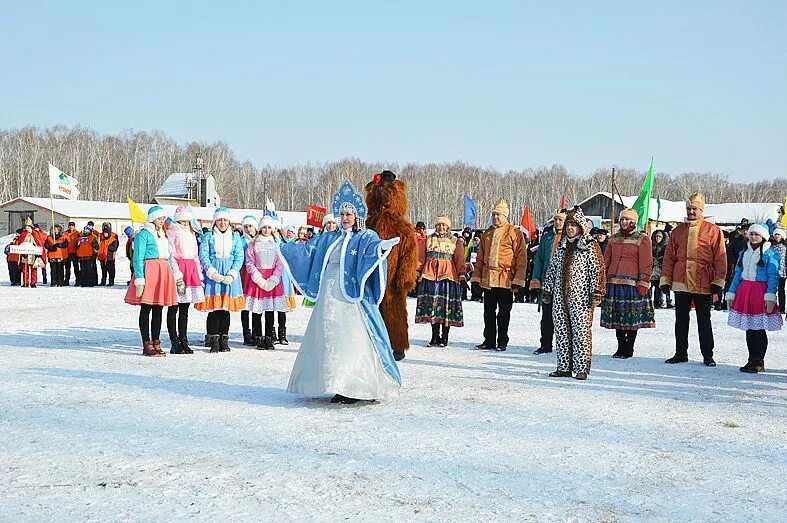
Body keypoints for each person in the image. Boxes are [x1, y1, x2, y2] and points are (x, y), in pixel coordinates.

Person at [280, 180, 401, 404]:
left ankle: (356, 385)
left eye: (349, 214)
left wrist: (381, 248)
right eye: (342, 214)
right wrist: (283, 246)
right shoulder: (331, 237)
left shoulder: (365, 236)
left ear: (357, 216)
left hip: (353, 297)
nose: (345, 218)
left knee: (353, 338)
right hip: (330, 294)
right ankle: (336, 383)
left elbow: (372, 249)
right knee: (330, 338)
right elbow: (309, 250)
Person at [660, 193, 727, 366]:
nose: (691, 212)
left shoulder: (713, 230)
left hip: (703, 279)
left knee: (704, 319)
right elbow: (668, 257)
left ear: (701, 210)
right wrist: (666, 279)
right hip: (681, 279)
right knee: (681, 319)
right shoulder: (678, 231)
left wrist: (718, 281)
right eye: (689, 208)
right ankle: (680, 352)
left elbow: (720, 257)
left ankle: (707, 354)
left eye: (694, 209)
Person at [542, 207, 606, 380]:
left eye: (573, 225)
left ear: (581, 227)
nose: (570, 228)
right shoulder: (561, 245)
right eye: (568, 225)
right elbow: (552, 269)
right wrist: (547, 289)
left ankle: (581, 368)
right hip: (559, 297)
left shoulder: (589, 245)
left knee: (581, 331)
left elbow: (597, 270)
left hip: (581, 297)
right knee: (562, 330)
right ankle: (563, 367)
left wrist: (597, 291)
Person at [471, 199, 527, 351]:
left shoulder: (514, 232)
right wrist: (476, 279)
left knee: (503, 313)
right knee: (488, 312)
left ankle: (502, 341)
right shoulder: (487, 234)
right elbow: (480, 258)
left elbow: (521, 257)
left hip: (506, 278)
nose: (495, 218)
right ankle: (489, 340)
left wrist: (518, 280)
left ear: (505, 216)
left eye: (498, 215)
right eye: (494, 215)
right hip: (488, 278)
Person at [124, 206, 181, 357]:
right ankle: (146, 343)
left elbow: (168, 257)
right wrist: (140, 280)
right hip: (149, 270)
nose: (162, 221)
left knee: (158, 309)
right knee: (146, 308)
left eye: (163, 218)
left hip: (163, 271)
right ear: (152, 218)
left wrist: (175, 275)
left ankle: (156, 341)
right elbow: (137, 257)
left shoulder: (163, 235)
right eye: (159, 218)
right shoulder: (144, 234)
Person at [726, 223, 782, 373]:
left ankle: (759, 361)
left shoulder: (770, 254)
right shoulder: (744, 253)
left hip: (760, 292)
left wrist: (770, 297)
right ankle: (751, 359)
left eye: (756, 234)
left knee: (759, 329)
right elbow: (737, 274)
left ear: (763, 236)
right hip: (745, 291)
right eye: (751, 234)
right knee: (749, 328)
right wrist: (731, 292)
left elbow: (773, 276)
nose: (753, 237)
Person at [600, 208, 655, 359]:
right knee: (617, 316)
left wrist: (644, 281)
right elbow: (606, 260)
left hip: (632, 283)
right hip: (613, 281)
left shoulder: (642, 239)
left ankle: (629, 347)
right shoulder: (613, 238)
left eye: (627, 220)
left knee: (630, 317)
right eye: (622, 219)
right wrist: (601, 278)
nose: (624, 222)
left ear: (634, 222)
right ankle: (620, 346)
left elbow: (646, 262)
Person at [195, 207, 246, 353]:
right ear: (215, 221)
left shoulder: (235, 237)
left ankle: (224, 338)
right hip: (214, 274)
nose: (222, 223)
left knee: (225, 309)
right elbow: (203, 255)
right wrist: (211, 271)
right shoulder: (209, 236)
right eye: (219, 220)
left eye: (225, 220)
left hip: (229, 275)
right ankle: (213, 339)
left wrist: (232, 273)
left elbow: (239, 256)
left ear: (229, 222)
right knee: (214, 309)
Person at [415, 216, 466, 347]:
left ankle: (445, 336)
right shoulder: (428, 239)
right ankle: (434, 336)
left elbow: (459, 259)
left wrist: (461, 274)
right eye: (438, 225)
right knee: (432, 305)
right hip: (430, 275)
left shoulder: (455, 241)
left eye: (444, 225)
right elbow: (420, 257)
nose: (441, 228)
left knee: (445, 306)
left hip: (448, 276)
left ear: (448, 227)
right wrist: (417, 271)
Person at [243, 216, 289, 350]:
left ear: (272, 229)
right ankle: (258, 337)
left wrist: (274, 279)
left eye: (269, 227)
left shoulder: (276, 244)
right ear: (260, 228)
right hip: (257, 280)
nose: (266, 230)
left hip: (272, 280)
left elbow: (280, 263)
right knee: (257, 311)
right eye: (264, 227)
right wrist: (258, 279)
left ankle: (269, 337)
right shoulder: (253, 244)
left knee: (270, 311)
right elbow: (249, 263)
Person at [166, 206, 205, 354]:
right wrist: (177, 274)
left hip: (190, 268)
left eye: (186, 220)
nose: (185, 222)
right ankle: (174, 340)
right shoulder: (172, 231)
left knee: (184, 308)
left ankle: (184, 339)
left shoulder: (191, 232)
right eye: (182, 219)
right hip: (178, 269)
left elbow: (195, 254)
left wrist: (198, 274)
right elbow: (171, 254)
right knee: (174, 306)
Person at [530, 209, 566, 354]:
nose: (557, 222)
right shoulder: (547, 237)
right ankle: (545, 344)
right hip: (547, 281)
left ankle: (564, 346)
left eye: (560, 220)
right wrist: (536, 278)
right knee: (547, 315)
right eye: (555, 220)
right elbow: (539, 259)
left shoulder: (569, 238)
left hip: (564, 282)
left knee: (563, 316)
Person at [239, 215, 258, 346]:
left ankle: (257, 333)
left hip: (258, 274)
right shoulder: (240, 241)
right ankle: (246, 332)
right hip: (244, 274)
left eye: (250, 226)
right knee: (245, 305)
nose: (248, 229)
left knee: (256, 302)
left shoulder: (260, 240)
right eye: (245, 226)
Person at [18, 221, 44, 288]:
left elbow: (39, 243)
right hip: (25, 254)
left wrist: (38, 252)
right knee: (25, 269)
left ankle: (33, 283)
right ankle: (25, 282)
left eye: (28, 227)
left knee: (34, 269)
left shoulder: (35, 233)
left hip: (33, 254)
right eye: (26, 226)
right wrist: (22, 252)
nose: (27, 228)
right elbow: (20, 243)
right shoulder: (23, 234)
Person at [650, 229, 671, 308]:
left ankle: (659, 302)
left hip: (661, 269)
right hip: (652, 270)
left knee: (659, 287)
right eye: (656, 236)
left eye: (659, 237)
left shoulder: (665, 247)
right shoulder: (651, 246)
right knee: (650, 287)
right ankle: (650, 302)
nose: (657, 238)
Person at [769, 228, 786, 313]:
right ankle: (771, 306)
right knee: (771, 290)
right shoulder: (771, 246)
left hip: (782, 272)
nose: (776, 236)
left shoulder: (785, 247)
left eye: (778, 234)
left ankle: (782, 308)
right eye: (775, 234)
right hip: (772, 272)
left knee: (781, 290)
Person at [97, 222, 119, 286]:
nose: (105, 234)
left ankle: (111, 281)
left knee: (111, 270)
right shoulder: (101, 239)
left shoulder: (113, 239)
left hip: (109, 257)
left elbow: (115, 247)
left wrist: (109, 247)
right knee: (103, 270)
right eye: (104, 233)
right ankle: (103, 281)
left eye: (106, 233)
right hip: (102, 257)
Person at [63, 221, 81, 285]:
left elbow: (80, 241)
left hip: (74, 252)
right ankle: (66, 280)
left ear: (74, 226)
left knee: (76, 267)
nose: (71, 227)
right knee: (67, 268)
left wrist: (77, 245)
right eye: (70, 226)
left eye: (72, 226)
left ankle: (78, 280)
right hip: (67, 252)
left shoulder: (77, 233)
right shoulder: (65, 233)